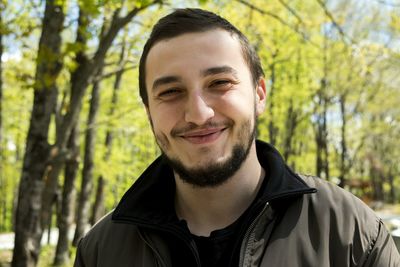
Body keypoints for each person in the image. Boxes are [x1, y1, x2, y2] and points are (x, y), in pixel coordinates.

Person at [74, 8, 400, 267]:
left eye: (219, 83)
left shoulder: (349, 233)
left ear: (259, 94)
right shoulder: (101, 251)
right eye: (171, 91)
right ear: (148, 112)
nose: (199, 114)